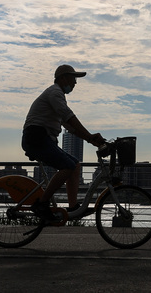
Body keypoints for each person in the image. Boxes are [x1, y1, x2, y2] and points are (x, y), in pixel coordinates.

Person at [22, 64, 105, 220]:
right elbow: (68, 116)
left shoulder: (58, 96)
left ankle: (73, 207)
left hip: (44, 139)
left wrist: (90, 139)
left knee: (75, 165)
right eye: (73, 78)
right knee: (68, 166)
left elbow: (70, 128)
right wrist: (90, 135)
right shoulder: (55, 93)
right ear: (62, 78)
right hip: (36, 138)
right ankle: (41, 203)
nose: (75, 83)